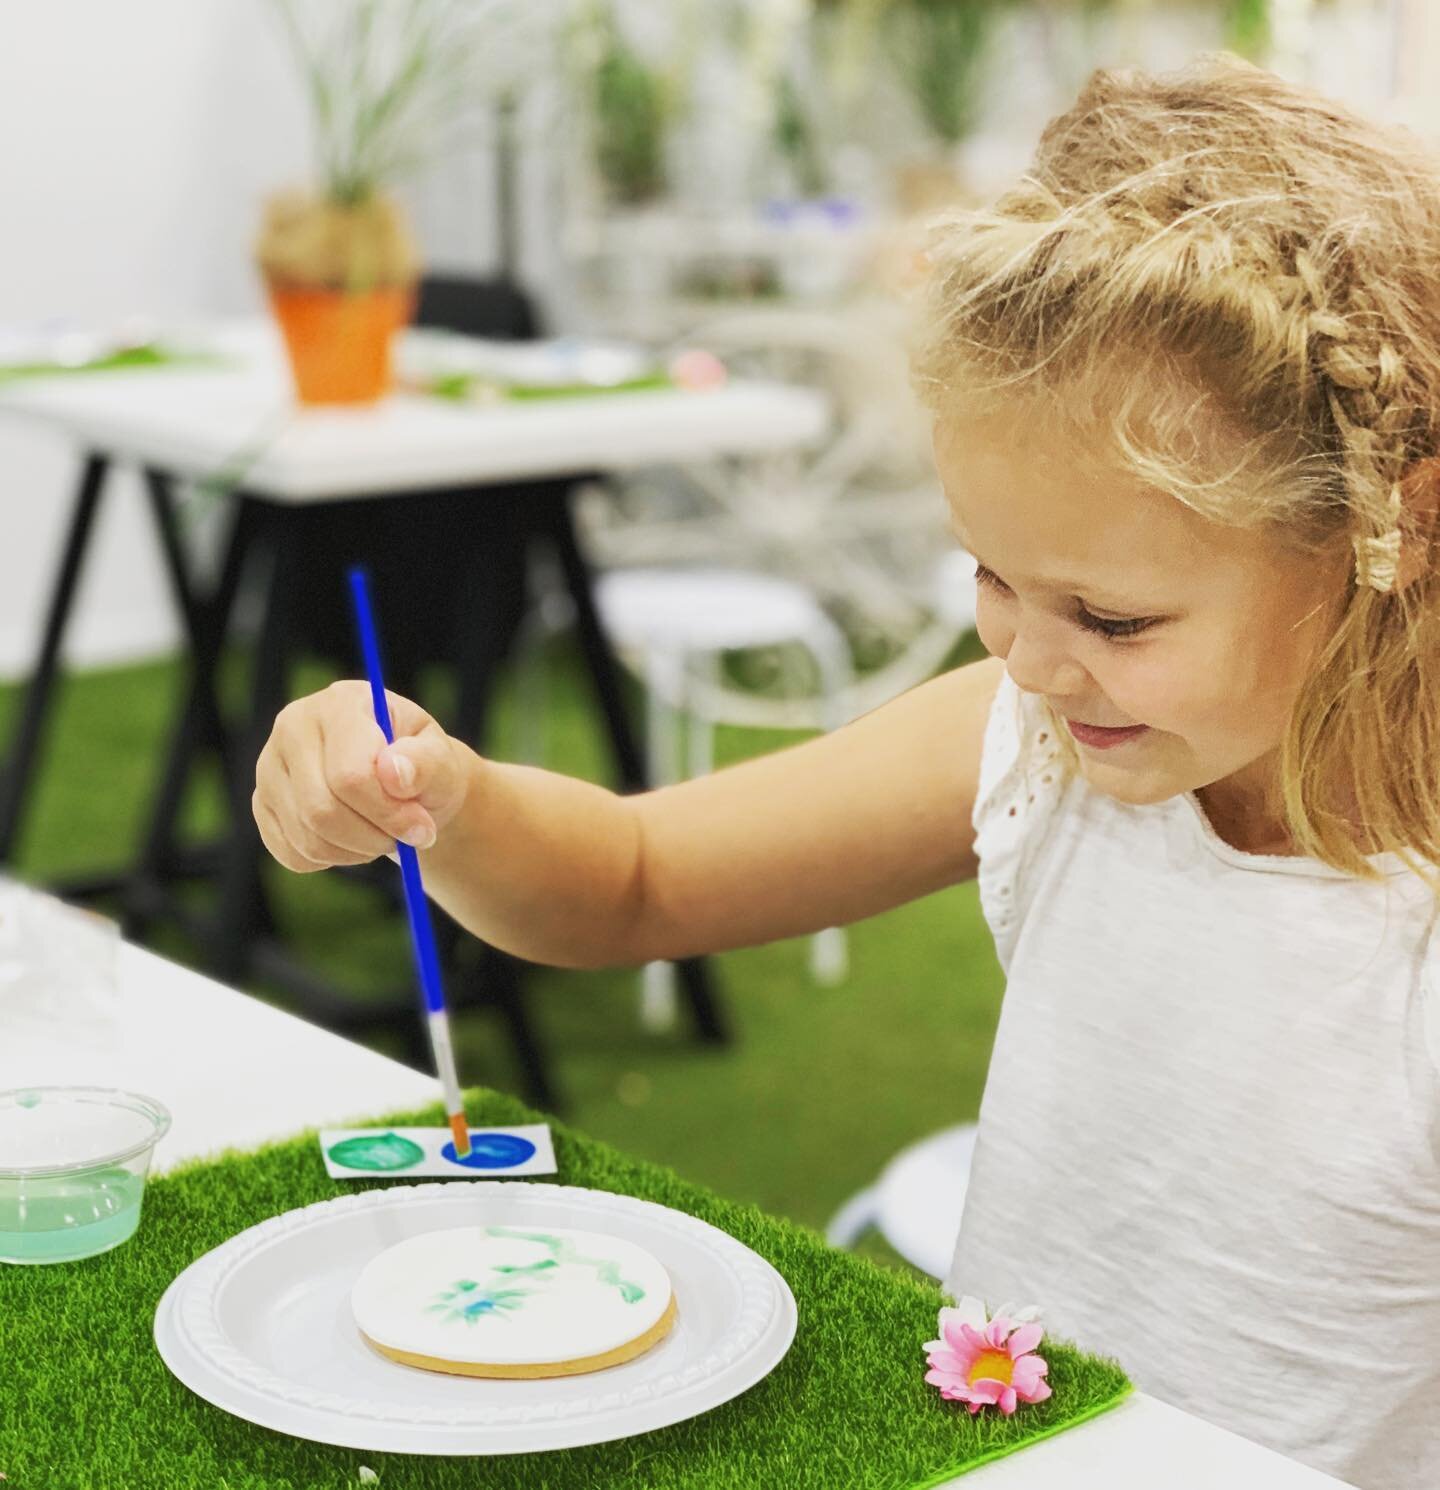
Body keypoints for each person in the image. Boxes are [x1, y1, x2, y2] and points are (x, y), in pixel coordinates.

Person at [252, 58, 1440, 1490]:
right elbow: (632, 882)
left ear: (1391, 530)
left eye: (1114, 618)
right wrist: (450, 801)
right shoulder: (1032, 745)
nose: (1037, 661)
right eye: (992, 576)